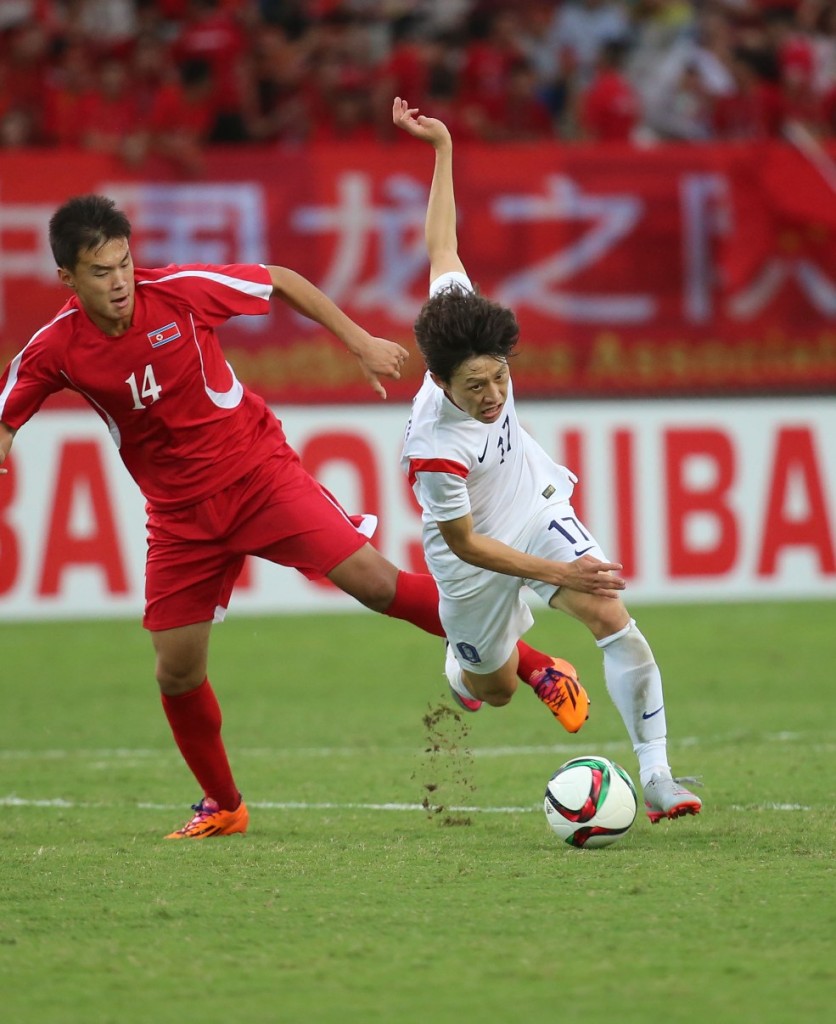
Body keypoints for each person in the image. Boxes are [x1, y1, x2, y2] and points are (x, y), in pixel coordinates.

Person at [0, 194, 587, 839]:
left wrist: (359, 341)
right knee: (176, 669)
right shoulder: (54, 346)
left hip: (258, 474)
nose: (119, 283)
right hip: (178, 518)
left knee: (376, 584)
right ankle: (224, 804)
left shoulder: (179, 291)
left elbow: (279, 280)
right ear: (67, 279)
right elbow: (8, 411)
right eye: (100, 272)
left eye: (124, 263)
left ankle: (537, 665)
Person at [392, 97, 702, 824]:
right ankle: (471, 669)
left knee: (612, 614)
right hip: (470, 566)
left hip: (533, 508)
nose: (497, 393)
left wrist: (441, 149)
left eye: (502, 374)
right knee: (491, 689)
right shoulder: (431, 447)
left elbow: (442, 247)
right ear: (439, 382)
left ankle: (658, 777)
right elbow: (467, 540)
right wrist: (554, 575)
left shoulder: (460, 319)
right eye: (477, 387)